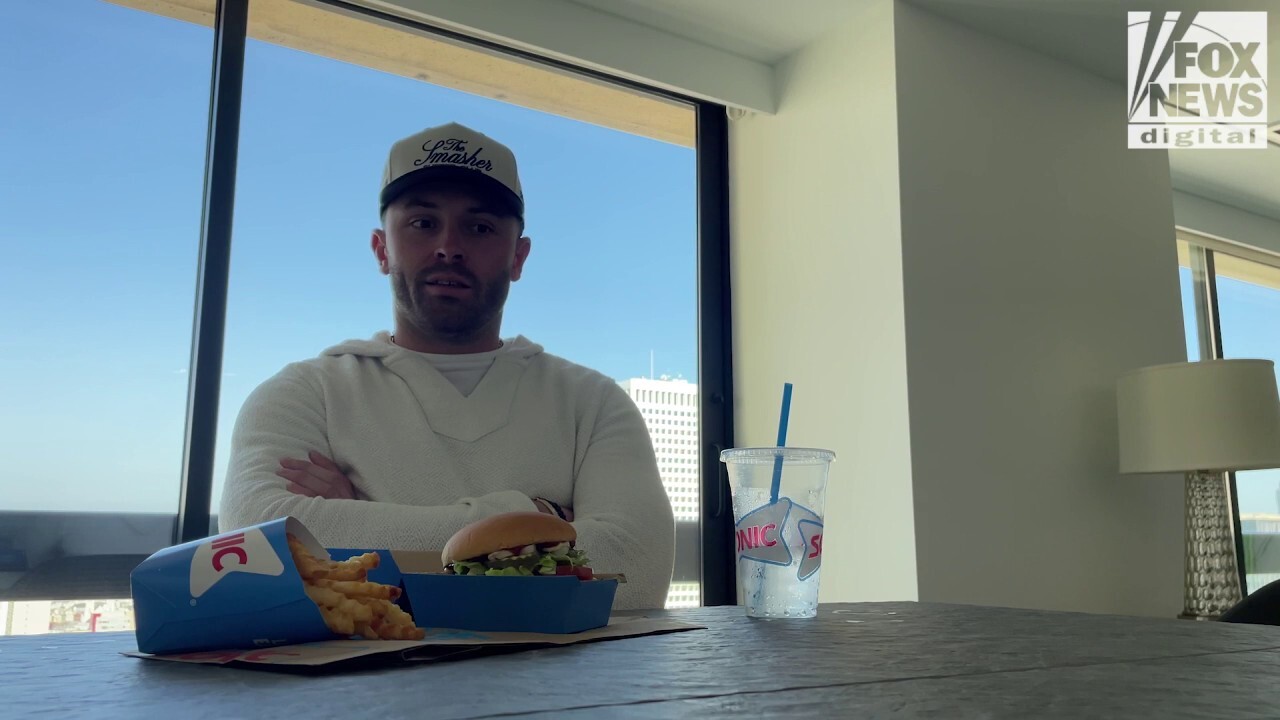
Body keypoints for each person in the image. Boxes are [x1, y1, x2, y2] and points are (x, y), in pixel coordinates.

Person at [219, 122, 676, 610]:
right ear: (382, 249)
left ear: (519, 257)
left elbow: (637, 569)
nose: (449, 247)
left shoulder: (593, 402)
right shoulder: (304, 393)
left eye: (480, 227)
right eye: (422, 223)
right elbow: (261, 549)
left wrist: (358, 522)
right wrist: (533, 514)